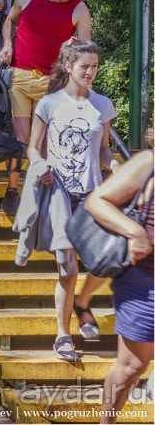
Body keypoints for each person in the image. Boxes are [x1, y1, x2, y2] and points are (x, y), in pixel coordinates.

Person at [24, 38, 119, 361]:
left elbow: (103, 148)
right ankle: (63, 335)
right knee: (67, 269)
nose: (90, 72)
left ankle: (82, 303)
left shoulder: (102, 104)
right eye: (84, 67)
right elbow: (34, 147)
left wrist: (117, 164)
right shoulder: (49, 103)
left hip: (94, 194)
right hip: (60, 194)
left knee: (110, 259)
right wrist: (40, 165)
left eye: (94, 66)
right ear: (68, 67)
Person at [0, 0, 92, 216]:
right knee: (21, 139)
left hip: (52, 82)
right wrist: (7, 44)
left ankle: (40, 192)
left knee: (46, 142)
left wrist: (74, 51)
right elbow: (9, 21)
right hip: (21, 76)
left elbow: (87, 51)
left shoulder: (79, 9)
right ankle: (12, 190)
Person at [85, 150, 153, 423]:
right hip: (145, 283)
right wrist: (135, 232)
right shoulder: (149, 163)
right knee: (131, 367)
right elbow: (96, 201)